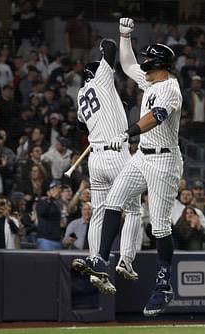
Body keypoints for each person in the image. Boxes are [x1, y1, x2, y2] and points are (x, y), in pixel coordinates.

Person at [73, 18, 183, 317]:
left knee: (160, 226)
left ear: (159, 62)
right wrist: (125, 35)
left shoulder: (170, 88)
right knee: (114, 200)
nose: (144, 61)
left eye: (149, 58)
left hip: (164, 161)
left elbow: (156, 117)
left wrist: (129, 131)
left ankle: (163, 286)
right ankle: (101, 260)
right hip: (142, 155)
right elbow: (125, 62)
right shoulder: (150, 80)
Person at [71, 38, 142, 288]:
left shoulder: (81, 95)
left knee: (99, 212)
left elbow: (81, 125)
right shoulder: (99, 78)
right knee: (133, 209)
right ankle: (126, 259)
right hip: (116, 154)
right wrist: (103, 45)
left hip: (96, 160)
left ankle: (96, 262)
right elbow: (110, 47)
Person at [36, 181, 66, 250]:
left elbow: (62, 224)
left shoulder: (58, 204)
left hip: (58, 240)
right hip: (46, 240)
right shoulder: (43, 201)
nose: (59, 191)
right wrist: (50, 198)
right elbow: (41, 212)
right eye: (57, 189)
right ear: (49, 191)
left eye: (60, 189)